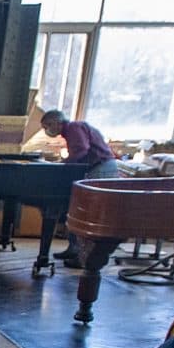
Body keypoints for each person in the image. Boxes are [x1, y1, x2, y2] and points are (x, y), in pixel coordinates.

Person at [40, 108, 118, 264]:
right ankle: (74, 249)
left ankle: (84, 257)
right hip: (96, 167)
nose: (47, 130)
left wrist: (64, 165)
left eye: (48, 125)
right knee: (78, 209)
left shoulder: (75, 128)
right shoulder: (71, 131)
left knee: (88, 212)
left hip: (100, 168)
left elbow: (81, 150)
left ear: (57, 122)